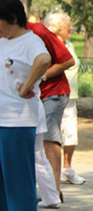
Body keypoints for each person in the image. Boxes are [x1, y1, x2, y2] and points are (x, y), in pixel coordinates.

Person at [0, 0, 50, 211]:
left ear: (12, 19)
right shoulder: (2, 42)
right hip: (1, 118)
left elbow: (44, 60)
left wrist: (28, 85)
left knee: (19, 177)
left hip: (17, 119)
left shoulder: (30, 41)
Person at [27, 15, 74, 197]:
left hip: (54, 92)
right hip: (31, 95)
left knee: (49, 138)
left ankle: (55, 189)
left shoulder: (37, 31)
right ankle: (46, 190)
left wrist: (40, 75)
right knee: (34, 141)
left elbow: (68, 61)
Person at [44, 12, 86, 185]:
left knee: (70, 134)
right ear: (55, 28)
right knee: (51, 136)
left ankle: (66, 169)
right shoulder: (49, 45)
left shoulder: (69, 44)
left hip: (69, 95)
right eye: (66, 26)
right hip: (52, 95)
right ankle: (51, 176)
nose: (71, 28)